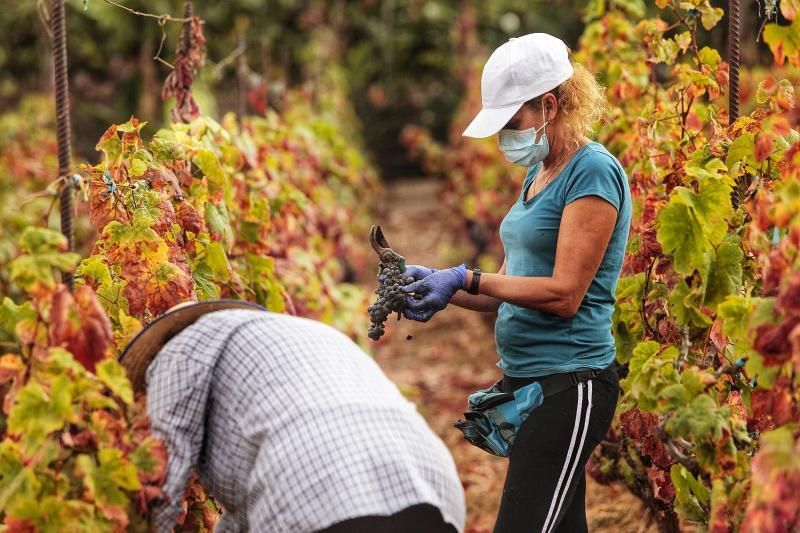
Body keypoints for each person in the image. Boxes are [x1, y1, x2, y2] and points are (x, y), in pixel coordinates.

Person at [401, 33, 631, 532]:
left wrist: (469, 276)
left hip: (572, 386)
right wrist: (439, 287)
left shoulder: (591, 172)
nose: (507, 136)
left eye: (513, 122)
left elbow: (564, 295)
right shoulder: (540, 173)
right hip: (532, 385)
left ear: (550, 105)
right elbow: (508, 284)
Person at [120, 300, 465, 533]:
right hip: (431, 479)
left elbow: (164, 477)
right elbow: (245, 517)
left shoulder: (179, 350)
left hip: (320, 486)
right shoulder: (301, 336)